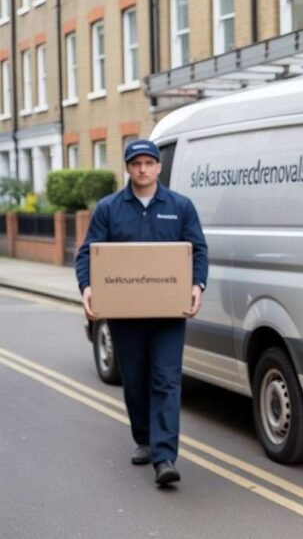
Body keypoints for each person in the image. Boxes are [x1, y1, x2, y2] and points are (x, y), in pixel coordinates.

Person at [76, 139, 209, 486]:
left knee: (166, 380)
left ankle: (165, 457)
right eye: (136, 164)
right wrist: (88, 287)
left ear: (159, 167)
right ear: (128, 167)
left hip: (168, 314)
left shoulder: (180, 207)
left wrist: (197, 285)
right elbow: (87, 254)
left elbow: (198, 251)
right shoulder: (108, 209)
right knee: (134, 380)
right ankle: (145, 439)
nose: (143, 169)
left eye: (149, 163)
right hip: (125, 315)